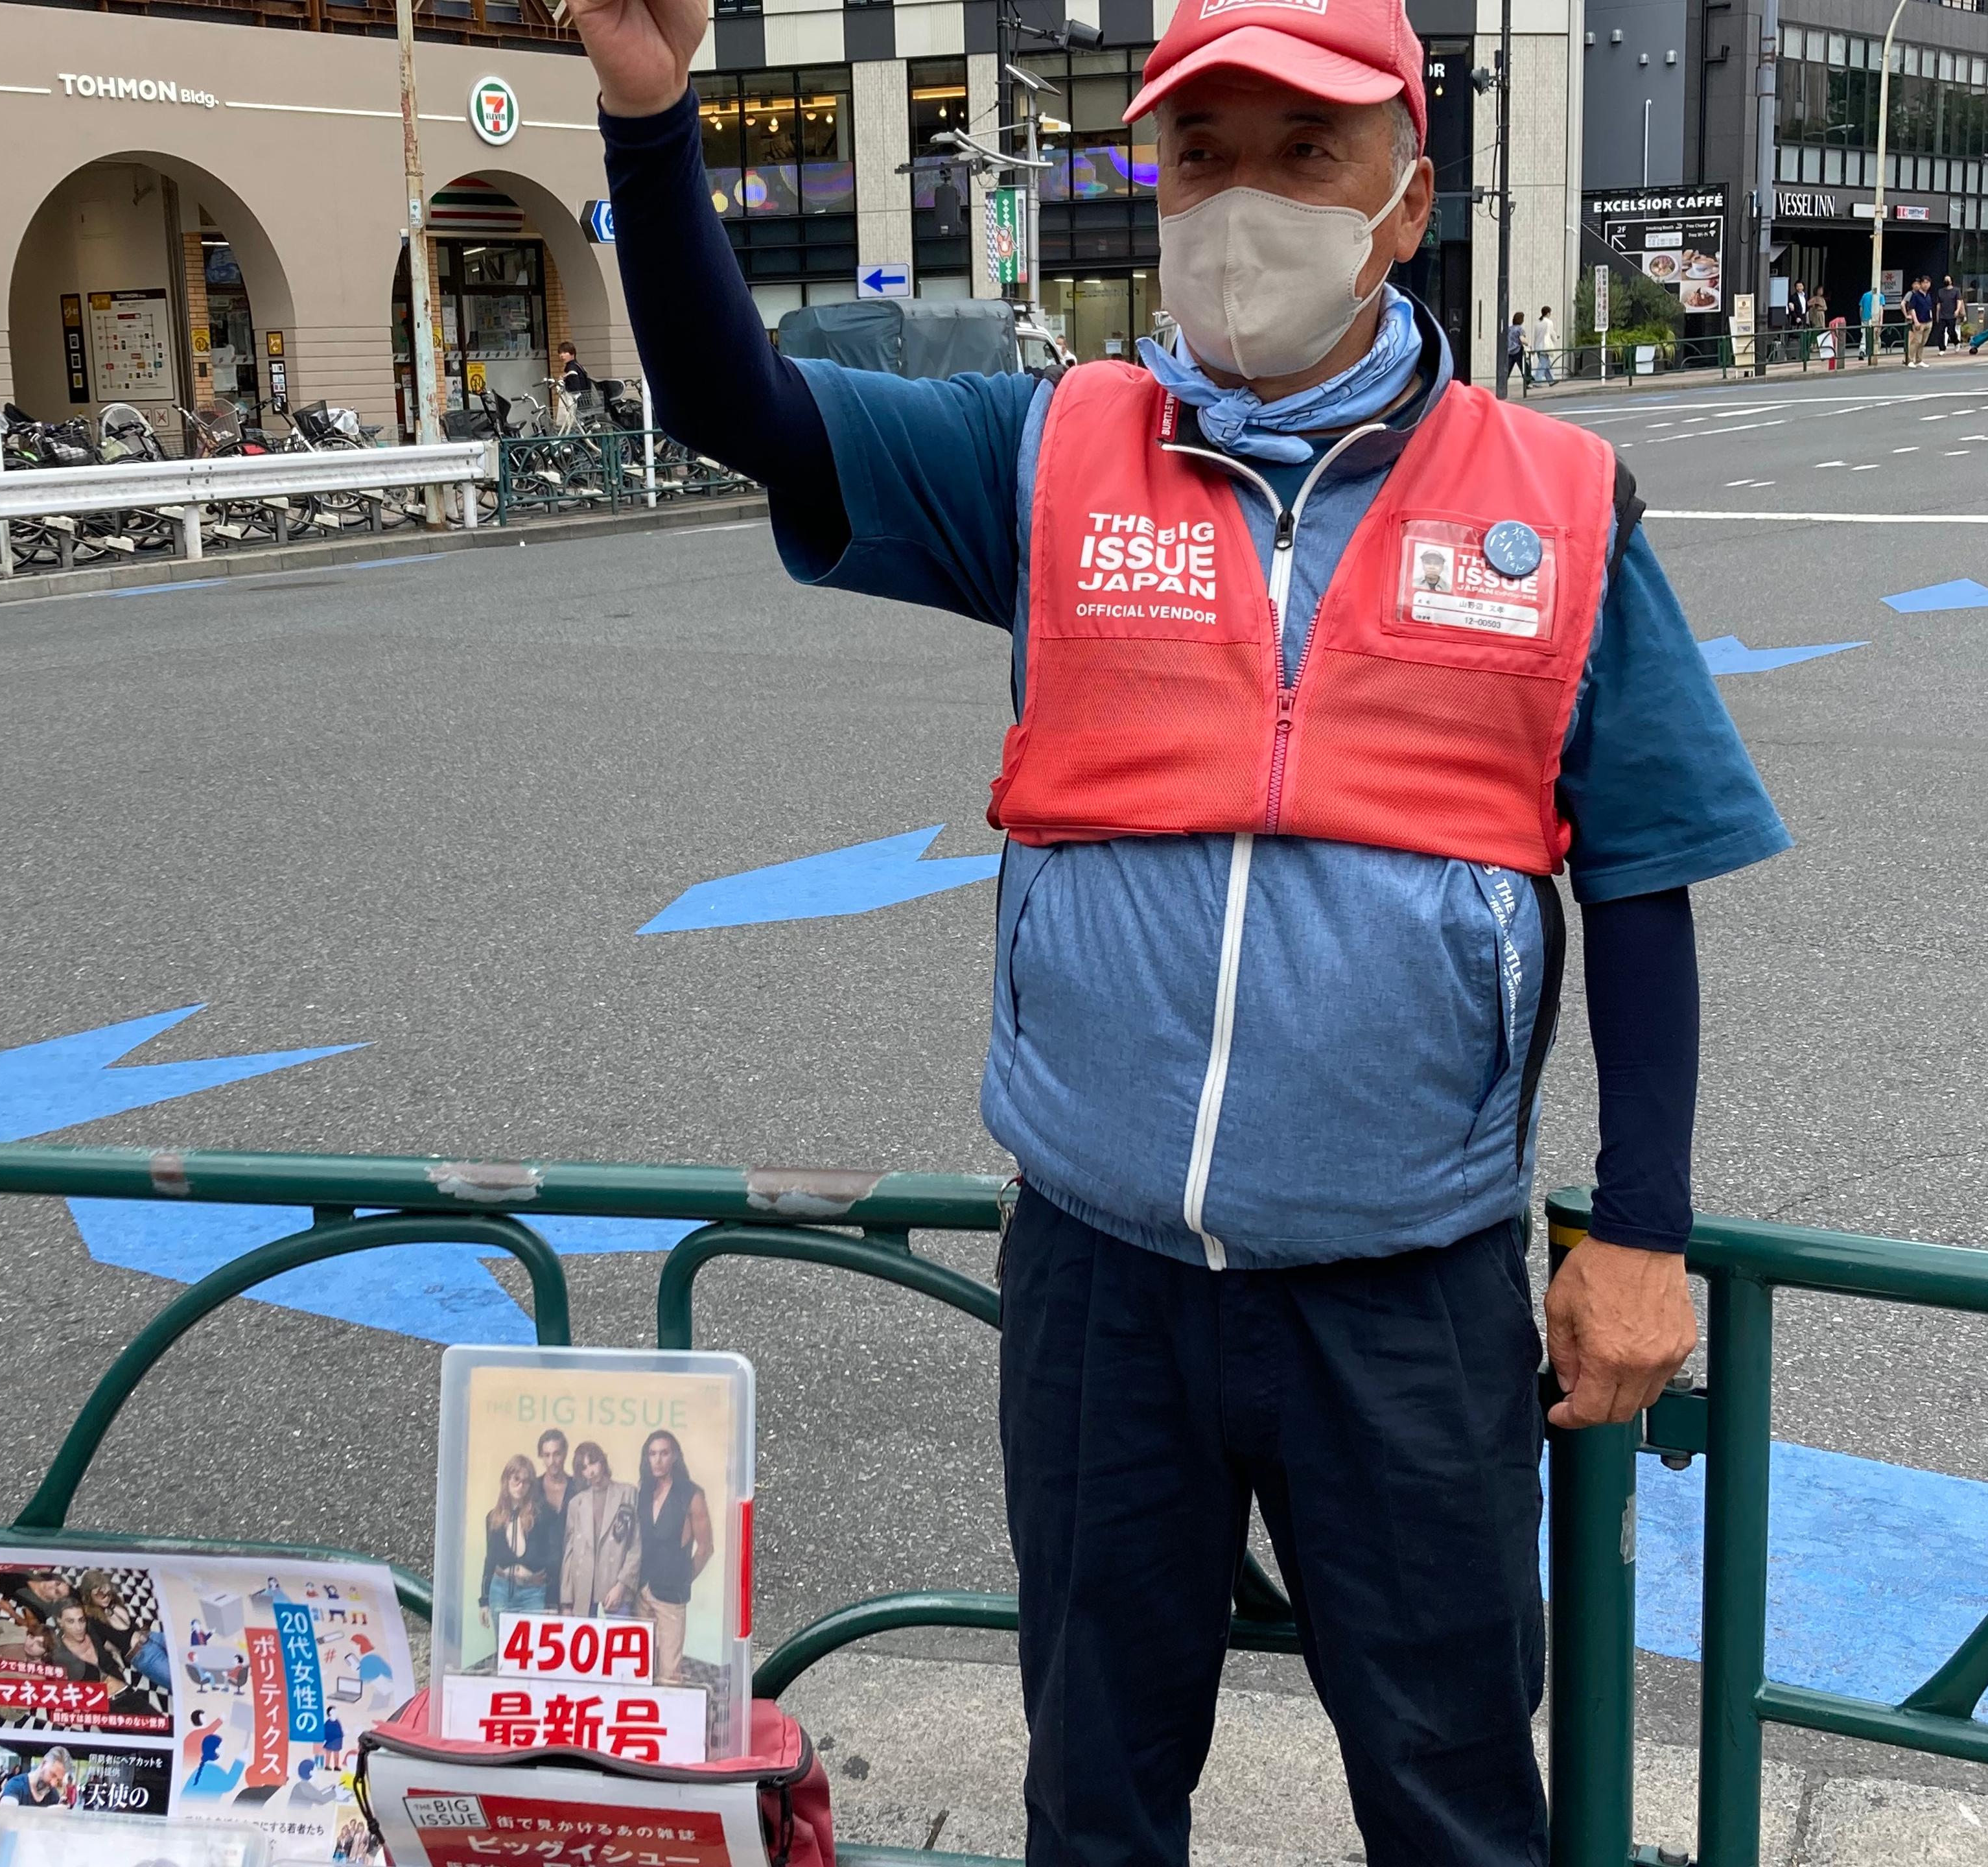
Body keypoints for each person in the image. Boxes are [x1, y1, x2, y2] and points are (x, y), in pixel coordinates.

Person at [582, 0, 1790, 1848]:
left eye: (1305, 154)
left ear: (1407, 195)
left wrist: (1640, 1232)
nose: (1246, 202)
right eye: (1203, 154)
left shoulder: (1553, 500)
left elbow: (1638, 869)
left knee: (1457, 1787)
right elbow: (736, 409)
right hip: (1102, 1280)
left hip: (1409, 1286)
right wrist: (655, 115)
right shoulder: (1053, 451)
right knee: (1099, 1785)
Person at [634, 1429, 713, 1683]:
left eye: (664, 1453)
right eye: (652, 1454)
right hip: (641, 1589)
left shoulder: (690, 1494)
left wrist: (683, 1578)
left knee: (669, 1673)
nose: (657, 1460)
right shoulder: (644, 1491)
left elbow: (705, 1547)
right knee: (639, 1667)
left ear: (675, 1456)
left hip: (670, 1594)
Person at [559, 1441, 638, 1617]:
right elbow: (569, 1554)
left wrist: (622, 1585)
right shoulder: (577, 1503)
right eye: (585, 1467)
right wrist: (566, 1603)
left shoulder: (628, 1494)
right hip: (583, 1596)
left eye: (593, 1463)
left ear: (603, 1462)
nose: (591, 1471)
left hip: (616, 1593)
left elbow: (636, 1546)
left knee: (618, 1644)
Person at [481, 1453, 553, 1621]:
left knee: (532, 1644)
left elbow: (552, 1558)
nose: (520, 1486)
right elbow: (490, 1559)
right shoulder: (493, 1518)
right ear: (506, 1480)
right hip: (501, 1589)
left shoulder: (542, 1515)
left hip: (533, 1591)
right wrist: (484, 1601)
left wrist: (551, 1600)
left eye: (526, 1482)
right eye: (516, 1479)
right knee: (503, 1644)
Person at [532, 1429, 573, 1604]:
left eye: (556, 1454)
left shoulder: (579, 1488)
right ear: (541, 1456)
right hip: (537, 1578)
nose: (552, 1461)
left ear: (564, 1453)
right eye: (546, 1455)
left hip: (571, 1575)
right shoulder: (532, 1488)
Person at [0, 1747, 75, 1809]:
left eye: (58, 1780)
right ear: (44, 1763)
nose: (53, 1783)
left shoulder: (53, 1794)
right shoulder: (16, 1785)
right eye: (52, 1775)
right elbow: (6, 1818)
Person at [1904, 276, 1934, 367]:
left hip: (1928, 321)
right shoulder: (1916, 296)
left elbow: (1930, 308)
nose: (1926, 285)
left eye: (1928, 283)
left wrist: (1932, 320)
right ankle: (1910, 360)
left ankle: (1919, 360)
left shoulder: (1928, 296)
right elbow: (1912, 309)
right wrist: (1916, 321)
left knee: (1923, 342)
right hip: (1919, 322)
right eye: (1924, 282)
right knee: (1916, 341)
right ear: (1921, 284)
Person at [1530, 304, 1558, 385]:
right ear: (1548, 313)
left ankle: (1551, 381)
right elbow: (1552, 333)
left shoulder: (1538, 323)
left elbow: (1536, 336)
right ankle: (1537, 382)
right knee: (1543, 365)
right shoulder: (1549, 322)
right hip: (1545, 347)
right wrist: (1555, 339)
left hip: (1538, 346)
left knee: (1547, 364)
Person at [1935, 274, 1962, 351]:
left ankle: (1956, 342)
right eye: (1945, 280)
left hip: (1952, 315)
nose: (1946, 281)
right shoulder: (1940, 291)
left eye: (1948, 280)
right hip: (1942, 315)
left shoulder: (1956, 290)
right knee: (1941, 332)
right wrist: (1937, 315)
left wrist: (1957, 310)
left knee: (1951, 332)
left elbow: (1959, 301)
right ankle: (1942, 349)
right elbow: (1938, 304)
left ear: (1951, 281)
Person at [1504, 309, 1526, 388]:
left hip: (1509, 351)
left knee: (1508, 369)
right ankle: (1528, 383)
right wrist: (1528, 344)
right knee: (1523, 368)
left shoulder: (1509, 328)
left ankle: (1503, 383)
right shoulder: (1520, 329)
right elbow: (1522, 340)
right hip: (1518, 350)